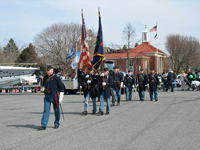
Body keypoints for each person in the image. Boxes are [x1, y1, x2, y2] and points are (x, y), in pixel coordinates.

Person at [38, 65, 64, 130]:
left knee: (56, 110)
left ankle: (56, 123)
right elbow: (44, 84)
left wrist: (61, 96)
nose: (47, 71)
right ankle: (43, 125)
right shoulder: (45, 77)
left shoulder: (56, 77)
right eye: (47, 70)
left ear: (52, 70)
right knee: (46, 110)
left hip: (54, 95)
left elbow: (61, 87)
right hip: (47, 95)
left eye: (48, 70)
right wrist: (43, 88)